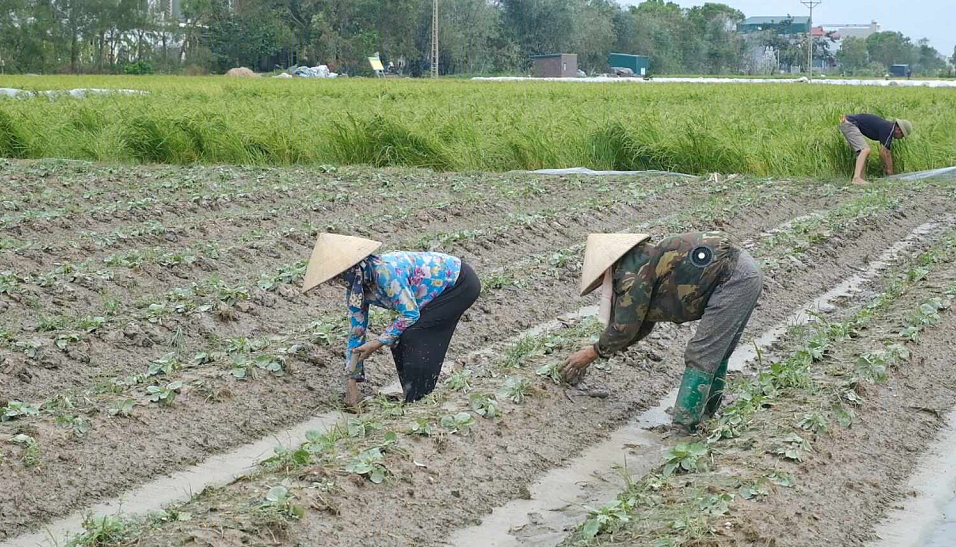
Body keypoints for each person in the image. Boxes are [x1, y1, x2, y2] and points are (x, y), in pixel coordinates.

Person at [560, 232, 762, 430]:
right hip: (746, 273)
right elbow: (641, 323)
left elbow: (625, 328)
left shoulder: (633, 272)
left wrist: (592, 352)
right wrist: (606, 349)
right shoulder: (646, 259)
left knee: (702, 353)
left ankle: (684, 427)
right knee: (717, 351)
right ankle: (707, 414)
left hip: (733, 279)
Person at [302, 234, 480, 406]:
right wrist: (351, 385)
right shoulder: (356, 290)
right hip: (431, 294)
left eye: (339, 276)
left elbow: (410, 314)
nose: (339, 282)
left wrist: (377, 343)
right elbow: (356, 334)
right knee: (398, 338)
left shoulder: (385, 273)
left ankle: (419, 399)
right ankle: (411, 394)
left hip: (460, 283)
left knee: (414, 334)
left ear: (352, 268)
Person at [839, 114, 913, 184]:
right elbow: (884, 153)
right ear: (899, 130)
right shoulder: (889, 129)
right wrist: (890, 173)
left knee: (862, 153)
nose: (900, 138)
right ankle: (856, 179)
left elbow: (887, 152)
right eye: (902, 136)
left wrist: (889, 170)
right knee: (865, 150)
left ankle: (862, 179)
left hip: (846, 121)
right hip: (850, 123)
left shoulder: (888, 128)